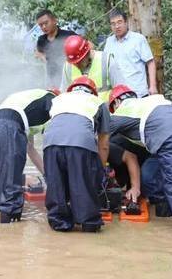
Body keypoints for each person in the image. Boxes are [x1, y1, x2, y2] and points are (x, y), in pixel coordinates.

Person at [108, 85, 172, 236]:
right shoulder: (150, 101)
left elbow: (99, 136)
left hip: (169, 137)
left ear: (116, 102)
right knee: (149, 177)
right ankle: (166, 216)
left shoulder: (122, 110)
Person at [43, 77, 110, 232]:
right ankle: (88, 223)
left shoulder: (59, 99)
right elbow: (104, 144)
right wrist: (100, 169)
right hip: (80, 142)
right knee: (83, 183)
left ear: (71, 89)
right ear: (93, 92)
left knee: (56, 185)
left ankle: (59, 223)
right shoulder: (97, 102)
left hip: (50, 143)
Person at [0, 88, 59, 223]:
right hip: (8, 126)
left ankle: (3, 223)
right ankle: (9, 231)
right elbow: (53, 145)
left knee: (2, 178)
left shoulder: (27, 104)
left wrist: (47, 176)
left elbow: (30, 149)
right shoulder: (52, 99)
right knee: (11, 181)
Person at [104, 9, 158, 97]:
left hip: (138, 93)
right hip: (118, 95)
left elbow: (150, 62)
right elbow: (106, 66)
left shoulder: (138, 39)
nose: (117, 26)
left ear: (126, 22)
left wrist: (153, 86)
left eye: (119, 22)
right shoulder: (109, 42)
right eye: (113, 24)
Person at [60, 35, 125, 102]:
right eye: (74, 62)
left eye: (79, 61)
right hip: (79, 111)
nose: (76, 65)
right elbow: (64, 94)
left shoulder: (106, 60)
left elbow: (121, 90)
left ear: (86, 53)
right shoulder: (68, 66)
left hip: (104, 110)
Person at [34, 10, 76, 87]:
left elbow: (89, 45)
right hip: (51, 81)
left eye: (46, 23)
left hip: (70, 79)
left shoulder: (68, 35)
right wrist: (41, 56)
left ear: (54, 21)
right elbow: (38, 53)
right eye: (40, 25)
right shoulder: (41, 40)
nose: (43, 27)